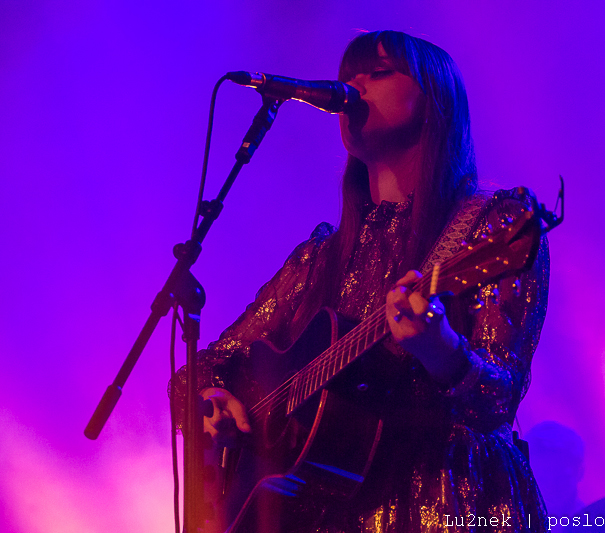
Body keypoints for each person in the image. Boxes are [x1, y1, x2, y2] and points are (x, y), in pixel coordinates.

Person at [173, 30, 550, 532]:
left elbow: (501, 398)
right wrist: (212, 401)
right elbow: (205, 365)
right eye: (349, 74)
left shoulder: (491, 226)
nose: (353, 84)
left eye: (379, 72)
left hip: (449, 499)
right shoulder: (319, 257)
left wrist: (443, 351)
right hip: (329, 511)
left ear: (435, 99)